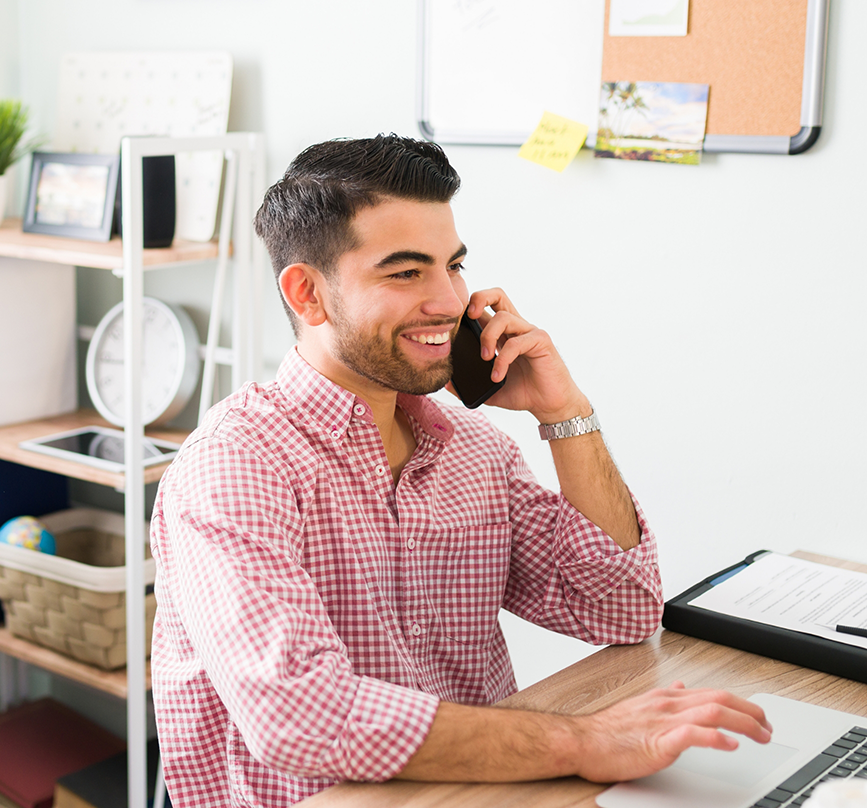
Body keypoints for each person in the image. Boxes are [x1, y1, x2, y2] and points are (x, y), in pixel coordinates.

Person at [150, 134, 771, 806]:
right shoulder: (235, 468)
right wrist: (586, 741)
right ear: (307, 295)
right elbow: (304, 718)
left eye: (454, 265)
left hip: (486, 789)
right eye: (405, 272)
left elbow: (619, 610)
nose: (449, 301)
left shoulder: (473, 449)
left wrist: (564, 411)